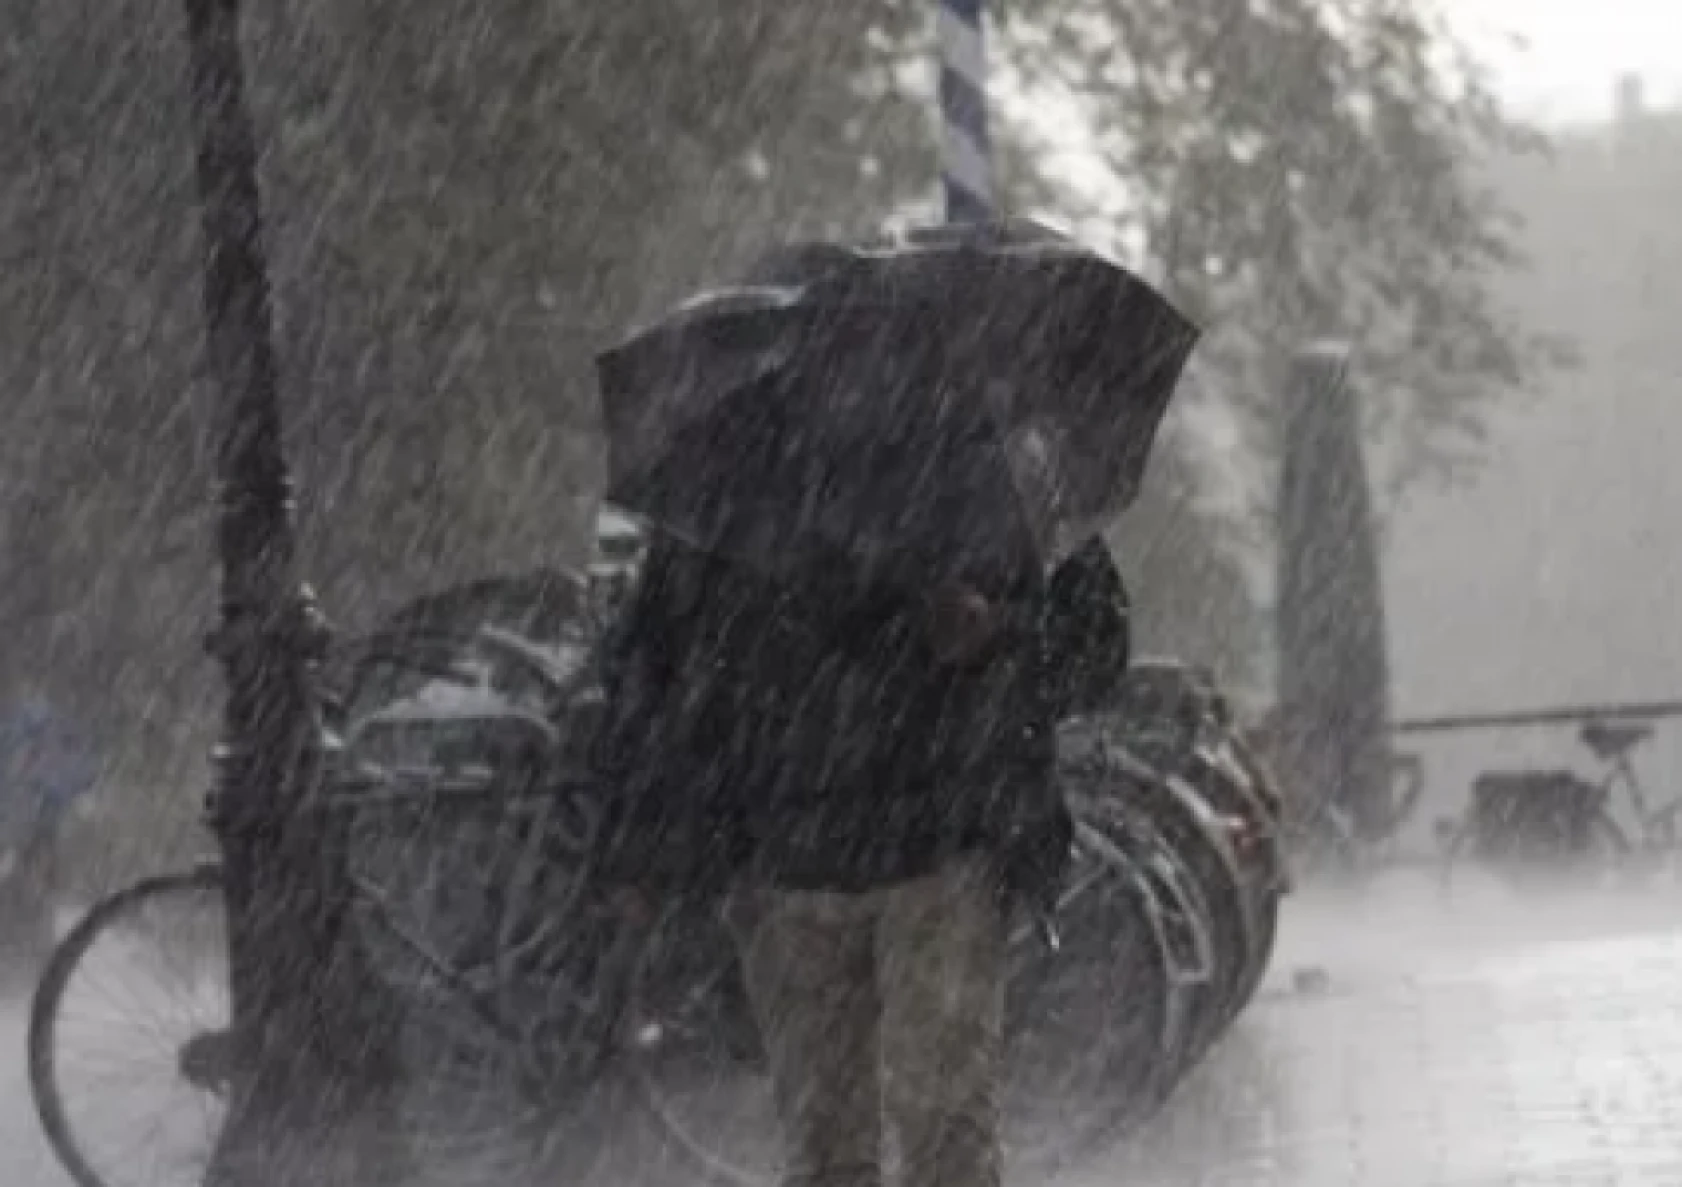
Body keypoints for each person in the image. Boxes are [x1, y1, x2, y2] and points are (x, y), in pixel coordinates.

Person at [595, 496, 1128, 1187]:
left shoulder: (991, 460)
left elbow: (1096, 642)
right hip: (794, 861)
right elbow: (658, 660)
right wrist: (646, 843)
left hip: (935, 851)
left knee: (934, 1128)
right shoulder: (748, 468)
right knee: (834, 1143)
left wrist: (998, 633)